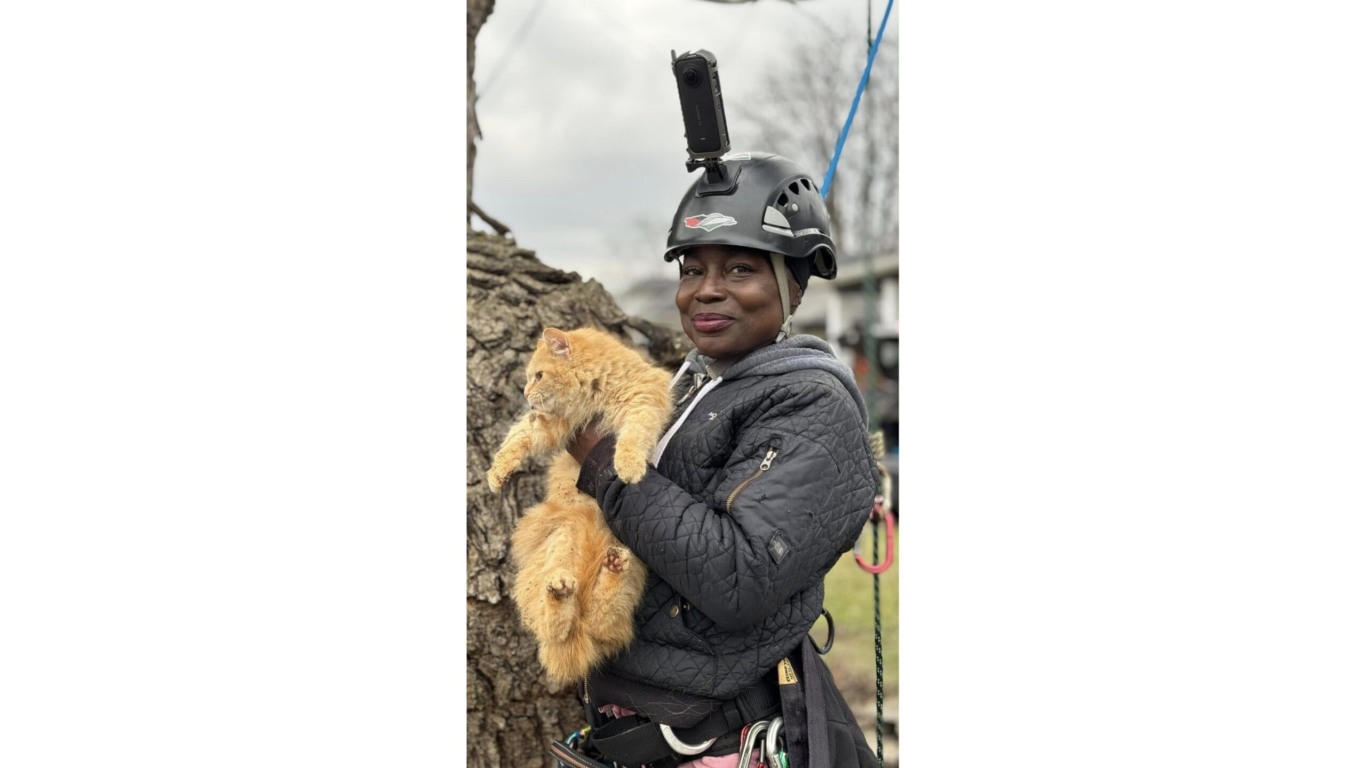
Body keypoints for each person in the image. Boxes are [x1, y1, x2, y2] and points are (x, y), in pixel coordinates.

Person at [563, 152, 880, 768]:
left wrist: (603, 461)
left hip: (720, 743)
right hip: (631, 732)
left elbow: (739, 577)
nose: (706, 289)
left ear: (794, 284)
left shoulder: (810, 404)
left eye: (740, 268)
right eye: (692, 269)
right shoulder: (693, 385)